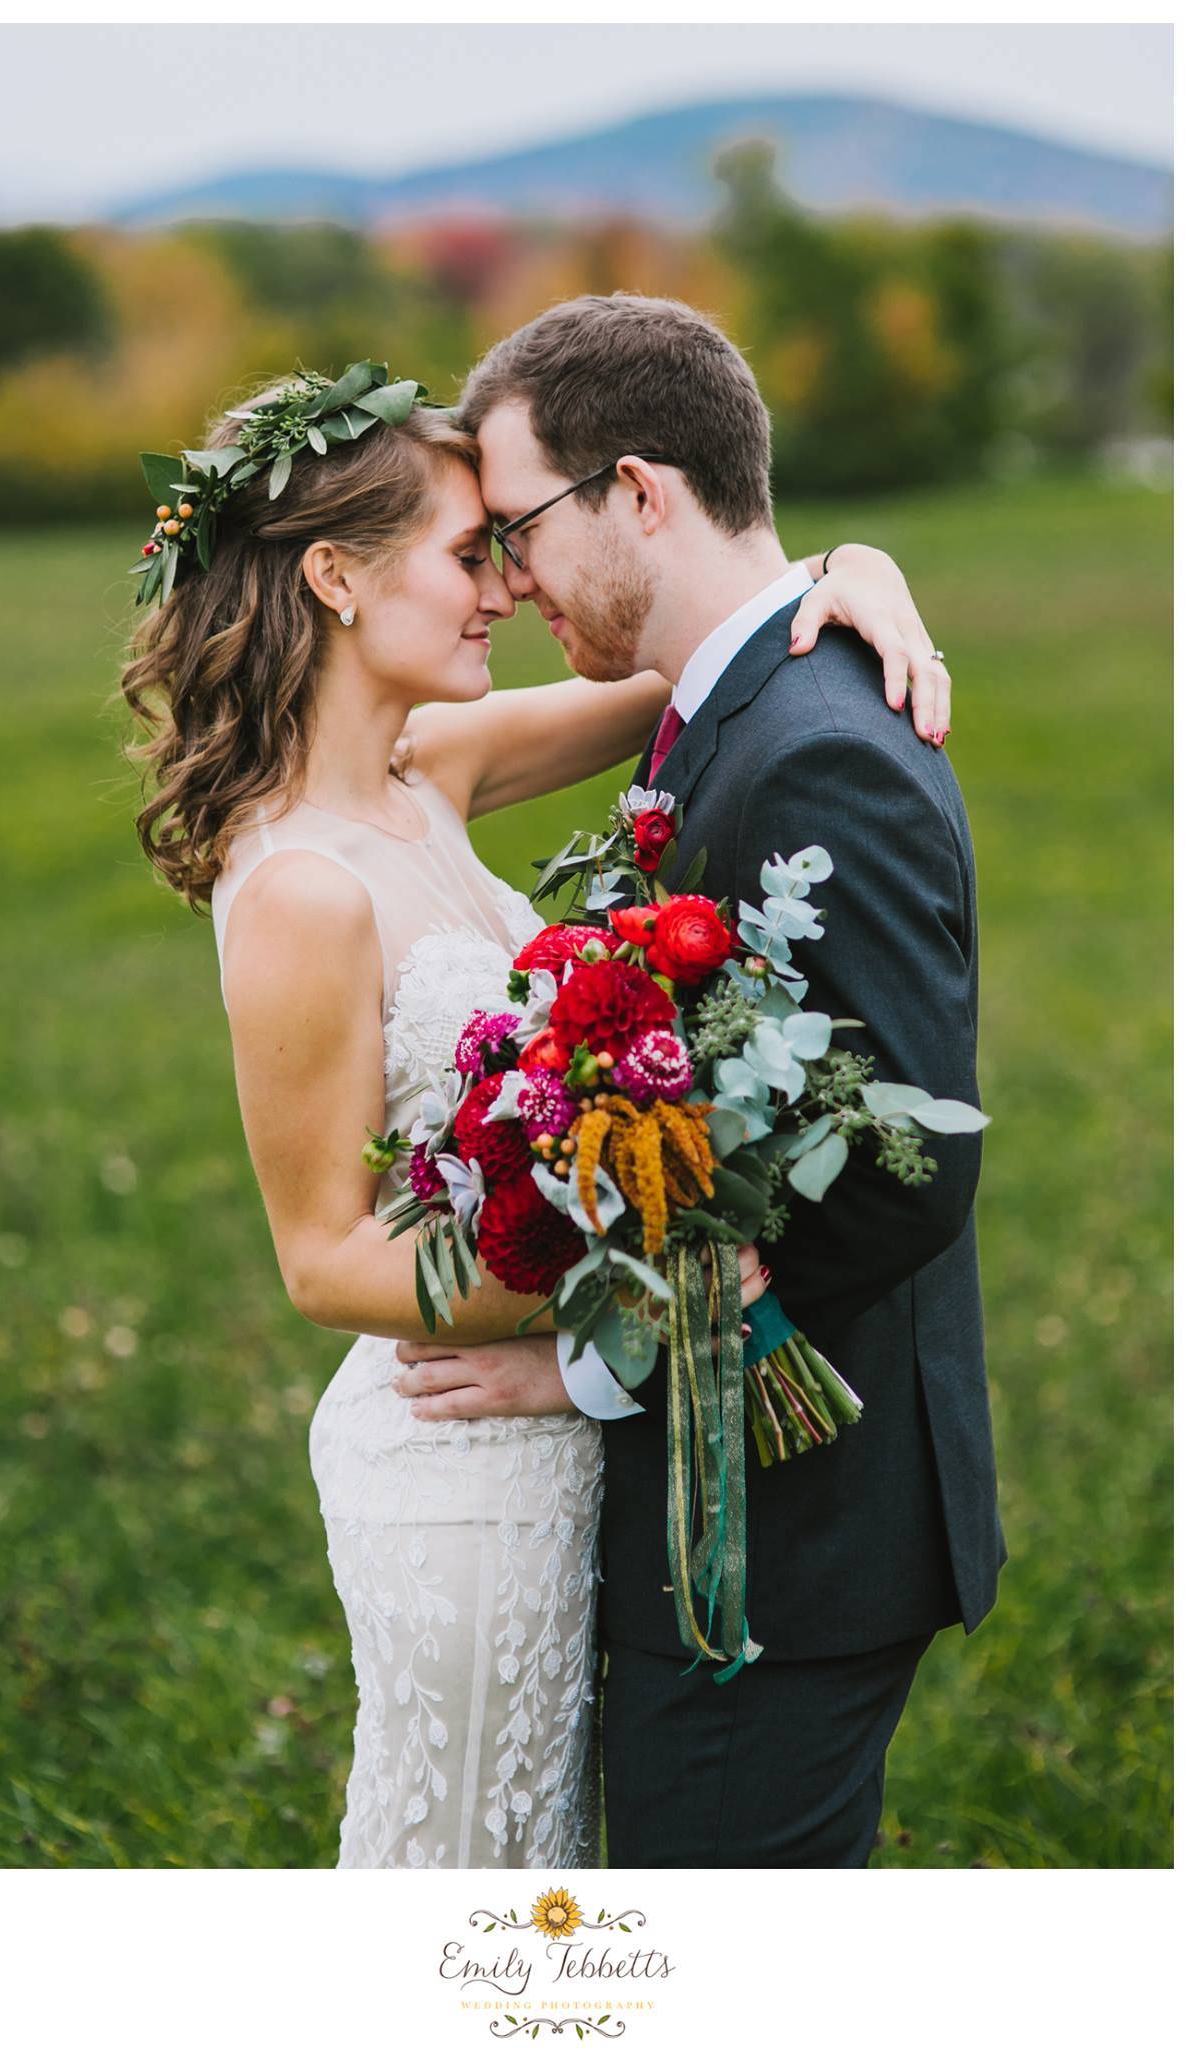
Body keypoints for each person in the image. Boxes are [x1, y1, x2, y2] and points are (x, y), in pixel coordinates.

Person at [120, 355, 952, 1869]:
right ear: (336, 580)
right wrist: (624, 1309)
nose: (503, 584)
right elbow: (321, 1260)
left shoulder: (426, 770)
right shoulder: (301, 888)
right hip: (453, 1460)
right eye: (464, 552)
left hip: (562, 1451)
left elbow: (714, 643)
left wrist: (860, 570)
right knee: (473, 1870)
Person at [395, 292, 1003, 1869]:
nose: (512, 579)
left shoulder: (811, 743)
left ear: (642, 494)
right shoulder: (725, 703)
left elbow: (903, 1170)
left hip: (790, 1543)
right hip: (766, 1526)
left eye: (520, 530)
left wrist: (593, 1369)